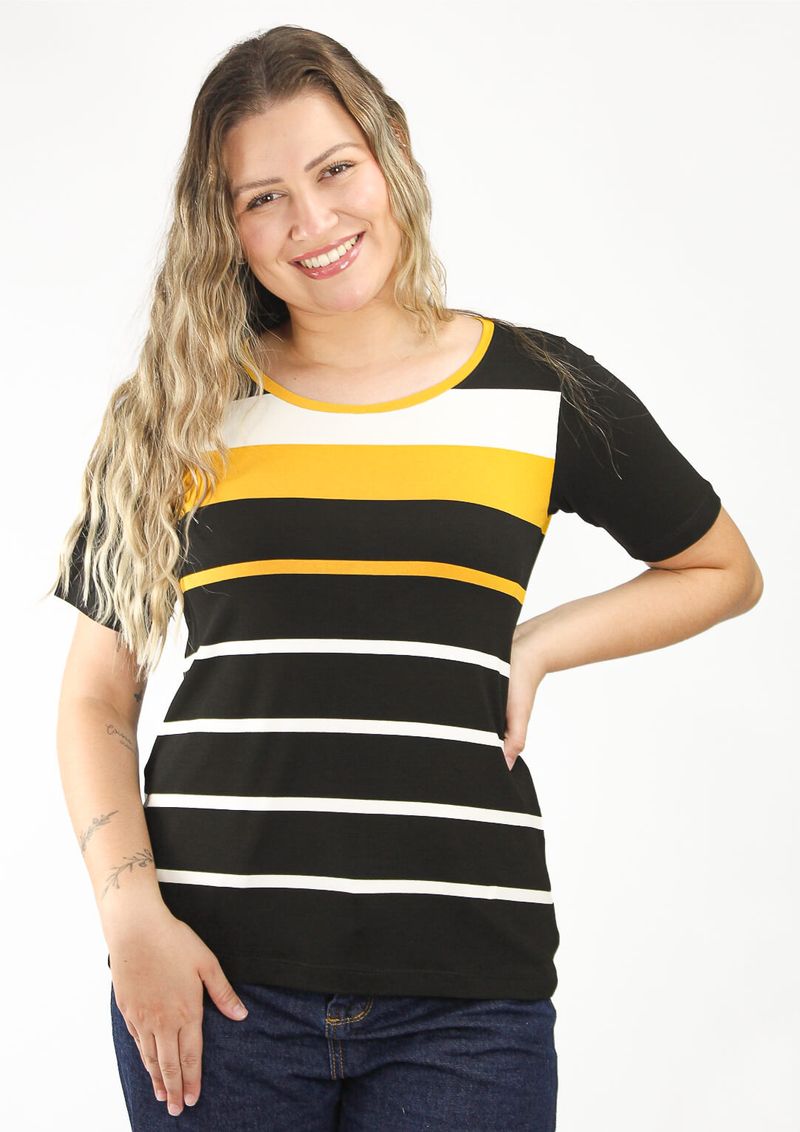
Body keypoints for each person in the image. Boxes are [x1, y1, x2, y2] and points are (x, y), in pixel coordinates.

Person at [50, 24, 763, 1132]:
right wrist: (129, 915)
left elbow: (720, 567)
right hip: (213, 985)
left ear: (392, 152)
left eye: (335, 169)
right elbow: (98, 695)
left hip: (467, 1003)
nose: (313, 222)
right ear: (223, 226)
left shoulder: (539, 391)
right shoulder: (173, 409)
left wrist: (538, 643)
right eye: (263, 198)